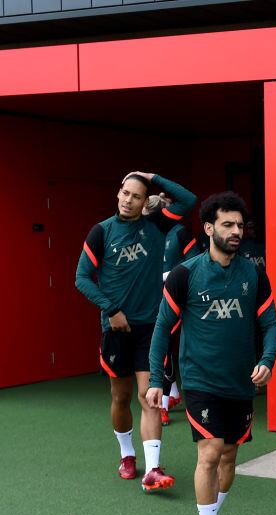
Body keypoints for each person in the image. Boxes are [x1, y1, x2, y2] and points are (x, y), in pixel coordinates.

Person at [145, 191, 276, 515]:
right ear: (208, 228)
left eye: (240, 225)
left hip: (241, 382)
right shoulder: (186, 274)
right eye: (227, 224)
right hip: (201, 380)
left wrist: (267, 360)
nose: (236, 231)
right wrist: (158, 379)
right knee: (210, 452)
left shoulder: (254, 274)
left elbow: (270, 324)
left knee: (229, 458)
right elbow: (161, 329)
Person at [75, 171, 196, 492]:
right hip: (116, 329)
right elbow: (82, 277)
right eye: (125, 193)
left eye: (136, 196)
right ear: (118, 194)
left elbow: (188, 200)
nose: (128, 200)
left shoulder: (156, 226)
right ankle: (127, 455)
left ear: (146, 202)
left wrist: (152, 176)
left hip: (151, 328)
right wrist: (111, 310)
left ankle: (153, 469)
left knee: (149, 397)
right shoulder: (101, 232)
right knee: (121, 396)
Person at [156, 193, 203, 426]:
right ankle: (173, 394)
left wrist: (167, 276)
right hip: (149, 299)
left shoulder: (180, 233)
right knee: (160, 348)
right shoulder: (146, 234)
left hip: (175, 296)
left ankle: (163, 404)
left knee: (166, 346)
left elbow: (194, 262)